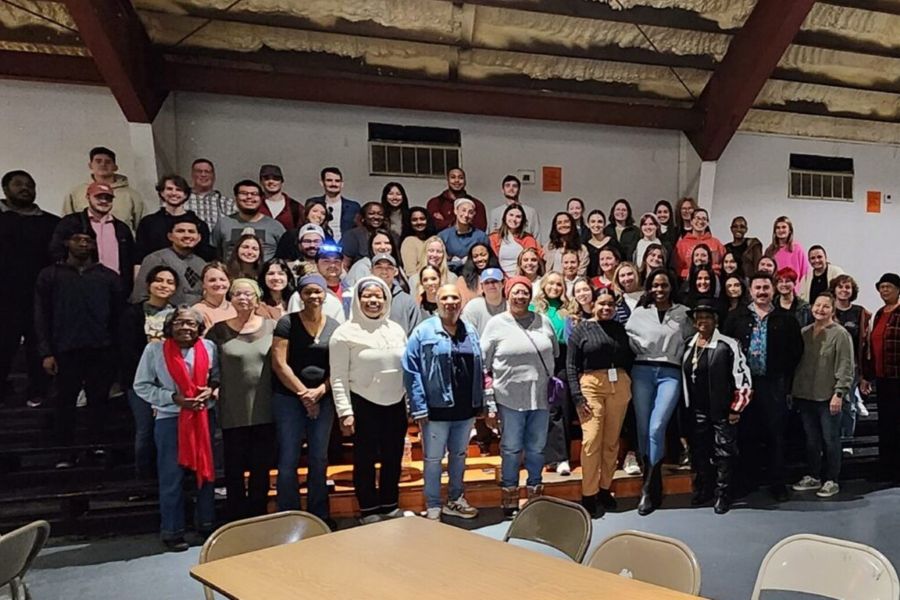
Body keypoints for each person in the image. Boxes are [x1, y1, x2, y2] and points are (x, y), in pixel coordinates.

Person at [35, 222, 124, 468]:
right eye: (77, 239)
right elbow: (41, 316)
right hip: (65, 351)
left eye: (88, 239)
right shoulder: (50, 275)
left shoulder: (108, 277)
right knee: (65, 403)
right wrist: (46, 352)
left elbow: (119, 318)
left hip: (102, 350)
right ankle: (65, 453)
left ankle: (95, 446)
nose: (83, 243)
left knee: (99, 402)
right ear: (66, 243)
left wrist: (117, 353)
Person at [133, 307, 218, 551]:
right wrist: (173, 398)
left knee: (206, 473)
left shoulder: (209, 348)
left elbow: (215, 379)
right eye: (180, 322)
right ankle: (172, 531)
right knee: (172, 477)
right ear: (170, 326)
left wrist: (210, 391)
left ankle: (206, 525)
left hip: (203, 417)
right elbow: (142, 385)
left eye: (191, 323)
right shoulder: (154, 350)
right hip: (170, 419)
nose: (186, 327)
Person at [330, 276, 408, 524]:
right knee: (365, 459)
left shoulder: (396, 329)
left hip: (395, 402)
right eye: (367, 296)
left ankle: (389, 504)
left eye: (379, 296)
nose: (373, 301)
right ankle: (368, 509)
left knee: (392, 457)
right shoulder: (343, 334)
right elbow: (338, 376)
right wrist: (345, 411)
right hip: (364, 403)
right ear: (357, 299)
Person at [404, 284, 484, 521]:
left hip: (465, 408)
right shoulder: (423, 331)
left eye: (455, 297)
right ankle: (433, 504)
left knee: (459, 455)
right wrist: (418, 406)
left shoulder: (470, 329)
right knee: (433, 459)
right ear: (437, 301)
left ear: (461, 302)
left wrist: (479, 402)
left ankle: (455, 499)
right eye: (445, 297)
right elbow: (411, 369)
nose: (450, 302)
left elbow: (479, 368)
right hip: (435, 409)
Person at [722, 272, 803, 502]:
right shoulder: (735, 317)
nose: (762, 292)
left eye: (766, 287)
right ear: (750, 290)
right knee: (746, 433)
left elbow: (796, 350)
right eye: (757, 287)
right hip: (744, 385)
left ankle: (778, 483)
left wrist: (784, 376)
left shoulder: (786, 318)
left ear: (773, 290)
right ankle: (747, 481)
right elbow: (726, 349)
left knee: (776, 435)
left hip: (774, 384)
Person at [481, 276, 558, 516]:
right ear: (507, 294)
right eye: (515, 292)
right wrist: (489, 401)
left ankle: (535, 493)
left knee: (536, 447)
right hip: (509, 397)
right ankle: (510, 496)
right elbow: (484, 364)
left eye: (525, 292)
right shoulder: (495, 324)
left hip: (540, 396)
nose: (520, 296)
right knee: (512, 448)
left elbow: (554, 351)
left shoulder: (543, 321)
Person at [271, 274, 339, 524]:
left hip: (323, 397)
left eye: (318, 292)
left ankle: (318, 515)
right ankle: (288, 515)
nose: (313, 296)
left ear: (325, 294)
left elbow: (340, 366)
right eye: (308, 292)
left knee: (319, 457)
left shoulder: (334, 326)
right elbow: (279, 364)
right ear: (300, 295)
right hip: (288, 399)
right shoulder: (286, 323)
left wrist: (320, 391)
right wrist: (304, 394)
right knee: (288, 456)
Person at [206, 279, 276, 520]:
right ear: (230, 298)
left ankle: (258, 515)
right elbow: (209, 367)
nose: (243, 298)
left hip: (265, 407)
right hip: (232, 408)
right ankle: (235, 516)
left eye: (249, 294)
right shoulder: (217, 331)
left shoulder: (273, 326)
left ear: (257, 299)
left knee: (261, 467)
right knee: (234, 467)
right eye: (237, 294)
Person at [624, 267, 691, 515]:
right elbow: (628, 340)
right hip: (642, 370)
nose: (659, 290)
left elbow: (692, 341)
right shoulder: (639, 312)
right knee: (642, 428)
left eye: (664, 285)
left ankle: (650, 486)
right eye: (655, 285)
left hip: (670, 372)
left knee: (656, 427)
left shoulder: (684, 314)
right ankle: (650, 485)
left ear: (671, 286)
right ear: (649, 287)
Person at [567, 287, 634, 517]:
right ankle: (589, 493)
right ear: (593, 305)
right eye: (601, 304)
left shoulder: (619, 330)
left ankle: (605, 488)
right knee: (592, 439)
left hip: (619, 384)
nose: (606, 308)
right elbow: (571, 365)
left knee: (611, 442)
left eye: (610, 305)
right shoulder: (581, 329)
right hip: (591, 386)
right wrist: (577, 396)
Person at [682, 300, 752, 514]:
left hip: (722, 410)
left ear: (715, 320)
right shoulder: (688, 345)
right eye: (699, 317)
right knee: (700, 450)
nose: (703, 321)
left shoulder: (729, 344)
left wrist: (736, 408)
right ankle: (705, 489)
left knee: (724, 452)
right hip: (696, 409)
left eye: (707, 317)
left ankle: (723, 494)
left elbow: (743, 379)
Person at [0, 170, 59, 408]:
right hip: (3, 296)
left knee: (39, 344)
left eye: (30, 184)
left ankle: (38, 392)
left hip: (38, 296)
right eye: (18, 184)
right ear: (5, 189)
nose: (25, 188)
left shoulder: (51, 222)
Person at [790, 292, 853, 499]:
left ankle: (831, 479)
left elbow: (845, 366)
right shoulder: (804, 332)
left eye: (826, 306)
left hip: (828, 397)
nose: (820, 310)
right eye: (817, 305)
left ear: (832, 310)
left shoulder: (841, 334)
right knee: (811, 440)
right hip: (805, 395)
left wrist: (839, 393)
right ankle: (813, 475)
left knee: (830, 439)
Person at [119, 266, 177, 481]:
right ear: (148, 284)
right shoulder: (133, 313)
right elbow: (127, 350)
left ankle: (169, 476)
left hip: (171, 382)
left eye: (170, 282)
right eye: (159, 280)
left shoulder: (177, 314)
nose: (164, 285)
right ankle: (144, 479)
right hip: (141, 381)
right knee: (145, 430)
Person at [52, 181, 137, 298]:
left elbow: (130, 260)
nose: (103, 201)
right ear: (87, 197)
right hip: (79, 288)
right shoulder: (70, 223)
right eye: (98, 197)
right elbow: (56, 252)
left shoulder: (122, 228)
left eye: (108, 198)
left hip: (116, 289)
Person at [532, 272, 576, 476]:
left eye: (559, 284)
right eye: (550, 283)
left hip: (563, 358)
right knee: (546, 409)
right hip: (539, 358)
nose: (555, 287)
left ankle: (562, 458)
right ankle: (548, 456)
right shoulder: (534, 308)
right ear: (543, 285)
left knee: (562, 407)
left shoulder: (568, 309)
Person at [862, 273, 900, 482]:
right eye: (882, 287)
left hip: (897, 378)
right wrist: (868, 375)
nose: (885, 290)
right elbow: (872, 347)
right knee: (885, 425)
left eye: (889, 287)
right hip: (882, 378)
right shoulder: (878, 314)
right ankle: (886, 468)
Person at [830, 274, 871, 446]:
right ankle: (831, 442)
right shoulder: (827, 310)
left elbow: (865, 343)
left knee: (848, 405)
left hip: (851, 366)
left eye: (848, 287)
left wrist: (864, 375)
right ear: (834, 290)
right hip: (829, 366)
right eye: (840, 287)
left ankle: (847, 441)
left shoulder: (860, 312)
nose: (844, 290)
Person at [63, 146, 145, 231]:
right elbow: (66, 225)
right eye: (98, 161)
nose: (103, 164)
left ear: (115, 167)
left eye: (108, 162)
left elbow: (142, 228)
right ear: (90, 165)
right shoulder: (76, 193)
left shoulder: (131, 195)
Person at [135, 174, 214, 262]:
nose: (174, 193)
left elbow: (205, 257)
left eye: (178, 190)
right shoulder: (148, 223)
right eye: (169, 189)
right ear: (162, 193)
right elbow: (139, 256)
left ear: (185, 194)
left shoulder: (198, 224)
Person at [131, 216, 208, 306]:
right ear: (170, 236)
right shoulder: (155, 259)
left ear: (198, 238)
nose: (187, 235)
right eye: (180, 231)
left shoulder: (202, 264)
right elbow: (139, 295)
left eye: (191, 231)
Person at [211, 180, 285, 261]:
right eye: (244, 193)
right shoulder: (223, 224)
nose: (249, 197)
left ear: (261, 199)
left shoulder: (275, 226)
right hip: (230, 273)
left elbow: (286, 255)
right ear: (236, 198)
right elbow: (214, 253)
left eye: (254, 194)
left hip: (264, 273)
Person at [371, 253, 423, 334]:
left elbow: (416, 333)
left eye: (389, 268)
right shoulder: (364, 300)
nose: (384, 271)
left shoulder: (408, 301)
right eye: (379, 267)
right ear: (371, 271)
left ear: (396, 272)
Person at [306, 167, 361, 242]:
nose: (333, 184)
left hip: (346, 247)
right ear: (322, 183)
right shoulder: (313, 203)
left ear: (342, 184)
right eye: (329, 180)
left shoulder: (354, 206)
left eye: (337, 181)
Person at [427, 167, 487, 232]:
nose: (457, 180)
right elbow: (433, 227)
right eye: (453, 177)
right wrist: (465, 223)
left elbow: (480, 229)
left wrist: (446, 222)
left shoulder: (477, 204)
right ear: (448, 180)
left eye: (460, 178)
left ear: (465, 181)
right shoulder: (435, 203)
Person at [489, 204, 542, 276]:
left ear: (522, 220)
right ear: (505, 217)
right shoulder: (494, 237)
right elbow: (492, 262)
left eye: (518, 217)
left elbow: (533, 261)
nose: (514, 219)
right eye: (511, 215)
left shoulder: (528, 239)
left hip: (522, 277)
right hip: (499, 277)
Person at [438, 197, 489, 272]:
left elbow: (487, 260)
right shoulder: (443, 236)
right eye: (463, 210)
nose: (466, 215)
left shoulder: (481, 236)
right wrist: (459, 263)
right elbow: (439, 262)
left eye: (470, 212)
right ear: (455, 211)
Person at [673, 208, 726, 279]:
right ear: (691, 221)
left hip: (713, 279)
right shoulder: (682, 244)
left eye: (704, 219)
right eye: (697, 218)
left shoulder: (716, 243)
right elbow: (676, 267)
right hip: (689, 279)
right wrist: (690, 273)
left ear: (707, 223)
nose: (701, 221)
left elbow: (724, 263)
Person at [488, 175, 542, 242]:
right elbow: (490, 237)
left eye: (514, 186)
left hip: (526, 249)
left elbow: (537, 237)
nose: (511, 188)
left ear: (519, 189)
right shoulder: (495, 212)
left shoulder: (531, 212)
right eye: (507, 185)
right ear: (503, 190)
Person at [185, 158, 235, 230]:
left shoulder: (228, 204)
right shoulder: (182, 201)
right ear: (192, 175)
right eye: (199, 171)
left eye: (207, 172)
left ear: (214, 176)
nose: (203, 174)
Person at [258, 164, 305, 231]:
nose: (271, 181)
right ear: (261, 181)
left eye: (275, 178)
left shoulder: (296, 207)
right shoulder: (255, 205)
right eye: (267, 178)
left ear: (282, 181)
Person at [192, 261, 236, 329]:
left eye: (222, 279)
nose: (218, 284)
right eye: (212, 280)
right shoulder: (197, 311)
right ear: (203, 284)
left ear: (229, 282)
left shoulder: (236, 307)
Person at [765, 216, 810, 283]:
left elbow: (805, 272)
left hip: (794, 290)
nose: (781, 230)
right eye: (778, 228)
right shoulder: (769, 250)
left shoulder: (797, 248)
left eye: (784, 227)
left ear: (790, 230)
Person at [462, 268, 507, 335]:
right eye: (487, 283)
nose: (491, 285)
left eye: (494, 281)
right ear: (482, 286)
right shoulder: (473, 306)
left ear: (503, 283)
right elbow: (466, 333)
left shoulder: (510, 306)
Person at [342, 202, 387, 268]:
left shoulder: (392, 235)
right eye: (371, 213)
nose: (376, 217)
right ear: (363, 217)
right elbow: (344, 265)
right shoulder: (352, 235)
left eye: (380, 214)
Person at [545, 212, 588, 276]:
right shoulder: (549, 246)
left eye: (566, 221)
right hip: (554, 283)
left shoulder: (581, 248)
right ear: (555, 226)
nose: (563, 225)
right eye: (559, 223)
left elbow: (582, 271)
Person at [585, 209, 622, 279]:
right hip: (592, 284)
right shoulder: (585, 246)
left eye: (600, 222)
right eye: (593, 222)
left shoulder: (613, 243)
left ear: (604, 224)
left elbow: (621, 263)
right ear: (588, 224)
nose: (596, 225)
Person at [399, 206, 435, 277]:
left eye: (422, 219)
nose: (419, 222)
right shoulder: (409, 241)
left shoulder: (433, 239)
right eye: (414, 220)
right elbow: (410, 272)